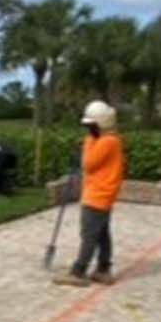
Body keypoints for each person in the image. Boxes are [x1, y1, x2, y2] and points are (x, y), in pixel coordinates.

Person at [54, 99, 125, 286]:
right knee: (102, 233)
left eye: (91, 126)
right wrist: (90, 141)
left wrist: (87, 143)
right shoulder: (109, 140)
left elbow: (88, 164)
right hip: (103, 194)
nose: (89, 130)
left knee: (89, 234)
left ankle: (79, 271)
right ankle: (104, 269)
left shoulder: (107, 142)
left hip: (98, 195)